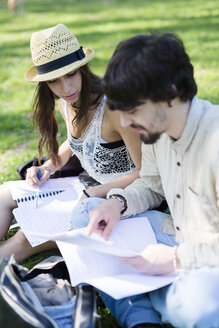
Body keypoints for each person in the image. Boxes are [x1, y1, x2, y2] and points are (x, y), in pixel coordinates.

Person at [71, 32, 219, 328]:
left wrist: (176, 259)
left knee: (197, 311)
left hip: (207, 255)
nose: (125, 124)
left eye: (133, 111)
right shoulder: (154, 133)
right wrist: (118, 203)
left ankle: (147, 299)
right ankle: (144, 316)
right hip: (175, 234)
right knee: (87, 215)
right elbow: (151, 185)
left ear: (171, 94)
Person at [0, 24, 141, 263]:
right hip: (86, 187)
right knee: (3, 193)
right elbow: (76, 141)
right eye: (54, 81)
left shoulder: (114, 108)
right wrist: (48, 167)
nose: (65, 88)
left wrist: (94, 192)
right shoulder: (67, 100)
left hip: (120, 197)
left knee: (25, 238)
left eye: (71, 75)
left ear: (82, 68)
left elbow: (146, 173)